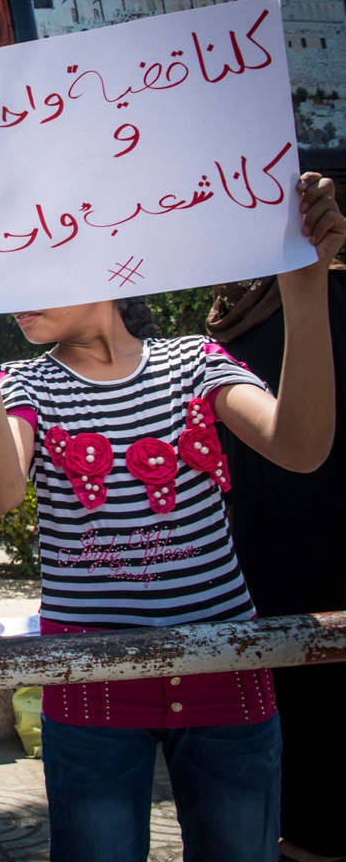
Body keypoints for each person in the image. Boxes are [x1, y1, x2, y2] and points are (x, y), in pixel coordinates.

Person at [0, 171, 345, 862]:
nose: (12, 292)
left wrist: (305, 292)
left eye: (32, 262)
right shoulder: (25, 383)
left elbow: (300, 447)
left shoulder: (195, 362)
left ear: (100, 252)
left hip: (227, 682)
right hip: (91, 696)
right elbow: (0, 490)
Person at [209, 265, 346, 862]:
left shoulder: (319, 297)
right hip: (271, 556)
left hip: (308, 545)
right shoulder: (218, 339)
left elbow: (304, 441)